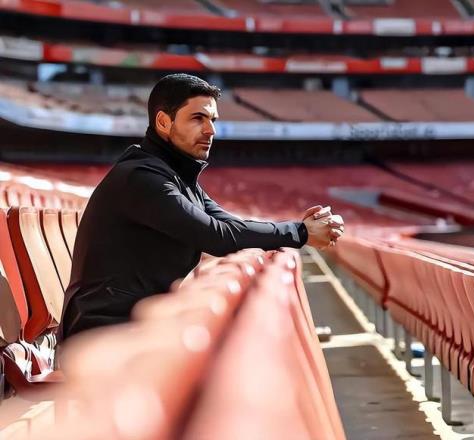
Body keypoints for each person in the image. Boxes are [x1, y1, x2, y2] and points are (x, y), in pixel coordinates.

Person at [59, 74, 344, 341]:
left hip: (136, 323)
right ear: (163, 122)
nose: (211, 130)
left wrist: (301, 229)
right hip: (100, 334)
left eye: (212, 120)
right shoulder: (141, 178)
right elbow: (217, 236)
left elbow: (231, 226)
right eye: (198, 118)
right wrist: (301, 233)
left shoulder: (177, 178)